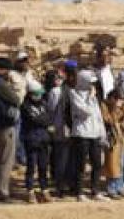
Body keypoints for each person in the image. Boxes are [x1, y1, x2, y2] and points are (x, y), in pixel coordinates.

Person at [65, 69, 107, 201]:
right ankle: (79, 192)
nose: (92, 85)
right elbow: (85, 112)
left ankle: (95, 191)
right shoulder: (74, 93)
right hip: (82, 134)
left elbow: (98, 116)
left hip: (94, 133)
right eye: (90, 82)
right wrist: (90, 97)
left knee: (97, 163)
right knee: (81, 164)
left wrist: (103, 133)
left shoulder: (93, 96)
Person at [0, 58, 21, 204]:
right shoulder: (0, 83)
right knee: (5, 161)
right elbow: (16, 99)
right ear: (0, 69)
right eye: (6, 70)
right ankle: (2, 194)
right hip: (5, 125)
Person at [20, 86, 52, 202]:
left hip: (44, 139)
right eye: (36, 94)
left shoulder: (44, 104)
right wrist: (43, 121)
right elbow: (34, 120)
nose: (39, 96)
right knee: (31, 166)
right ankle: (30, 191)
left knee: (43, 166)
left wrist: (44, 121)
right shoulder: (25, 106)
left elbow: (49, 118)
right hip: (31, 139)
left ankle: (44, 190)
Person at [101, 87, 124, 199]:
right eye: (118, 99)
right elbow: (109, 120)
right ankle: (111, 189)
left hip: (122, 137)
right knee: (112, 164)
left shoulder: (122, 106)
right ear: (112, 98)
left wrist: (123, 107)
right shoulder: (104, 106)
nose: (120, 102)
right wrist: (115, 109)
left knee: (122, 163)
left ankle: (119, 187)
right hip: (111, 138)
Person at [46, 64, 74, 198]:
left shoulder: (55, 92)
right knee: (65, 158)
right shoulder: (70, 90)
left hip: (59, 129)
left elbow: (50, 110)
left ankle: (60, 186)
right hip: (68, 129)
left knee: (60, 158)